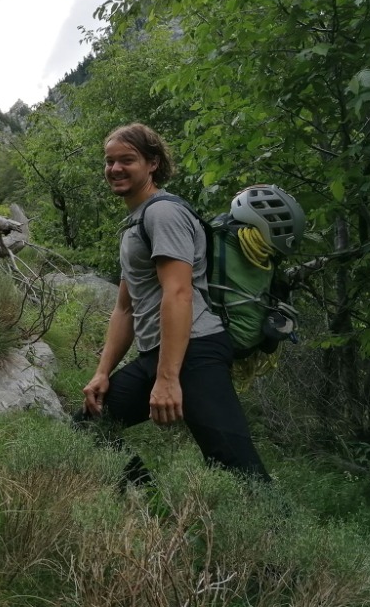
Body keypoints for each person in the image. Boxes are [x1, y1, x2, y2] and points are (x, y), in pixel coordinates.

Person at [81, 122, 271, 484]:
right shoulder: (136, 222)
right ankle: (150, 502)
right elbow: (126, 307)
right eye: (109, 161)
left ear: (152, 163)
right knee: (89, 427)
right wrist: (102, 372)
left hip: (197, 350)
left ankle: (270, 521)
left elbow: (178, 293)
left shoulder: (163, 214)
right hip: (156, 354)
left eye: (126, 160)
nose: (115, 168)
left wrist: (168, 379)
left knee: (238, 470)